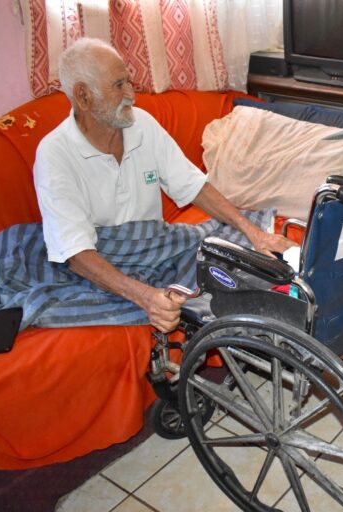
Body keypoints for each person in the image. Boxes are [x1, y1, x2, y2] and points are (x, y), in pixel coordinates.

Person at [33, 38, 295, 334]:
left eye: (129, 82)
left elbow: (193, 186)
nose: (131, 94)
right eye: (118, 85)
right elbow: (77, 254)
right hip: (103, 262)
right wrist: (146, 297)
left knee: (237, 254)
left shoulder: (140, 124)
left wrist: (255, 234)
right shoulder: (54, 154)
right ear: (83, 96)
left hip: (157, 246)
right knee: (201, 290)